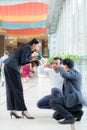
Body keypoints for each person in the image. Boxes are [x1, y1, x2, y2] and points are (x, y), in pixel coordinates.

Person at [4, 38, 42, 119]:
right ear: (34, 44)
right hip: (12, 66)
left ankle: (13, 110)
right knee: (18, 89)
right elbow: (23, 61)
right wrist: (32, 56)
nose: (38, 48)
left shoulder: (25, 47)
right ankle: (24, 111)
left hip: (8, 65)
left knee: (11, 89)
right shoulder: (28, 47)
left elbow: (22, 61)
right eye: (38, 46)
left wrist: (32, 58)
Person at [49, 58, 84, 124]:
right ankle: (78, 113)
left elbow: (64, 74)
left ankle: (70, 118)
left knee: (53, 102)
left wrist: (60, 67)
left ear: (65, 66)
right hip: (73, 102)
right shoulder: (73, 72)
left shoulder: (73, 73)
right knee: (56, 116)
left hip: (74, 103)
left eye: (63, 65)